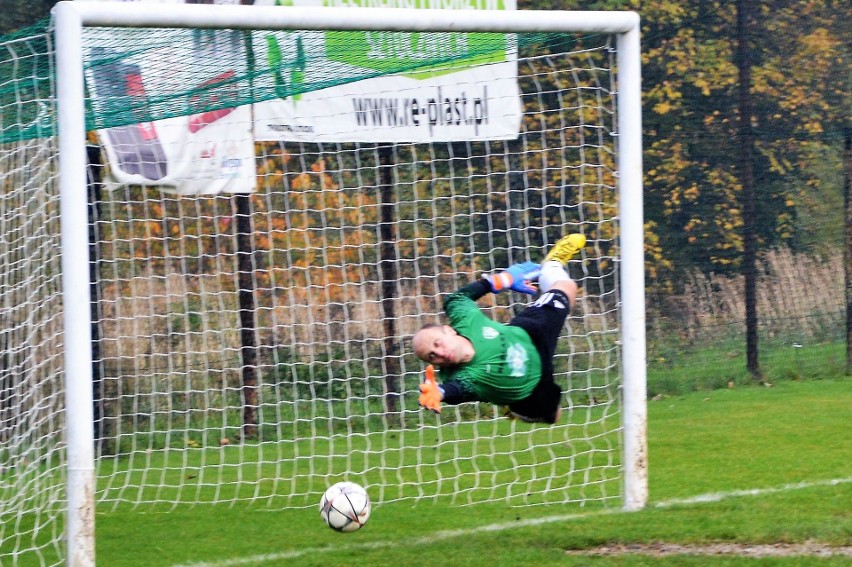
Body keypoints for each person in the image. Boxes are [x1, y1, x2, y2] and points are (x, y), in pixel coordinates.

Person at [412, 233, 586, 424]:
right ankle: (510, 405)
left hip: (530, 333)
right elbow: (456, 390)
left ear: (448, 330)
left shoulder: (464, 318)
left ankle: (552, 263)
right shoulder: (462, 376)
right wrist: (441, 392)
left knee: (567, 286)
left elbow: (456, 299)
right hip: (532, 388)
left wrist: (504, 279)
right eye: (431, 356)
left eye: (437, 344)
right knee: (552, 417)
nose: (440, 353)